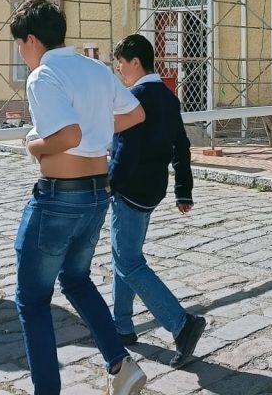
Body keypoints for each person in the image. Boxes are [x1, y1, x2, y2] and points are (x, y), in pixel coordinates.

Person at [10, 0, 148, 395]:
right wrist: (98, 126)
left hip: (58, 197)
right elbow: (135, 114)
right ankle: (120, 364)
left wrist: (32, 145)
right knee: (75, 278)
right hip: (95, 195)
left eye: (19, 44)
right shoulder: (95, 68)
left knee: (32, 299)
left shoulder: (43, 75)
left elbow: (66, 136)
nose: (20, 54)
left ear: (32, 40)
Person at [109, 34, 205, 368]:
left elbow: (124, 149)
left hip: (130, 190)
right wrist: (183, 189)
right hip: (153, 190)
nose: (119, 70)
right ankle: (121, 326)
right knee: (123, 255)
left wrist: (109, 185)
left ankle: (181, 323)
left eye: (120, 63)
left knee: (130, 262)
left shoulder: (134, 98)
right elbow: (182, 144)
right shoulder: (167, 95)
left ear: (135, 61)